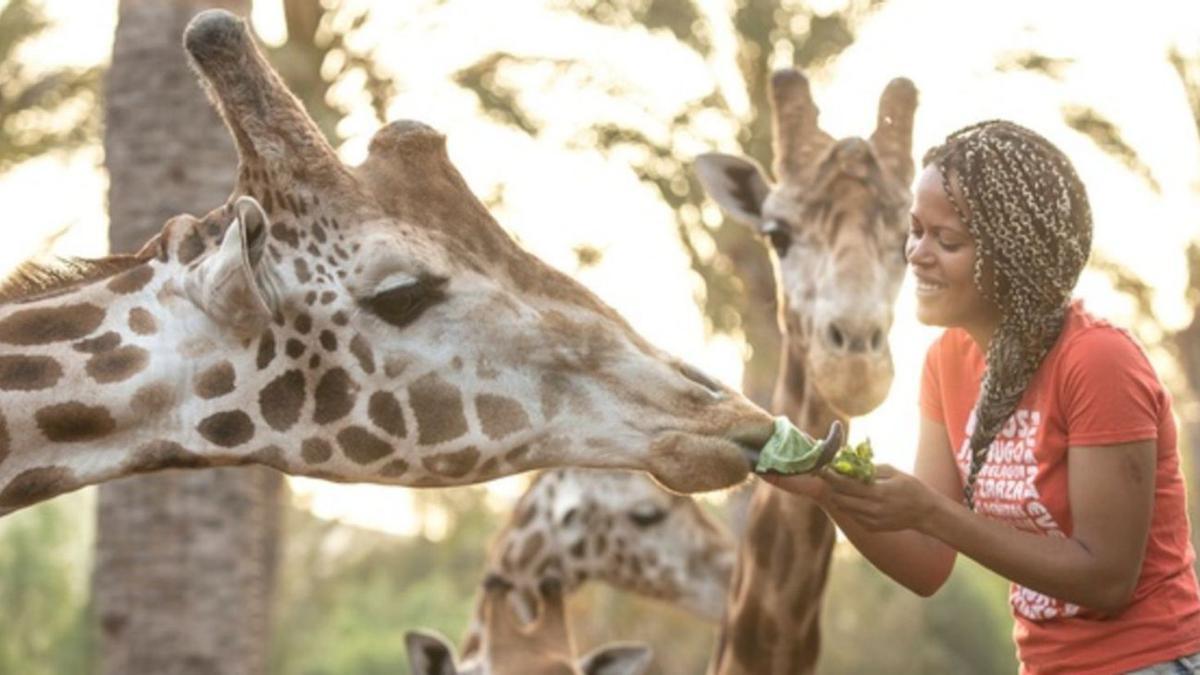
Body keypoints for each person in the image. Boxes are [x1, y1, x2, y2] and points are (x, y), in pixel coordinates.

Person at [762, 120, 1200, 675]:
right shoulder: (947, 363)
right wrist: (827, 488)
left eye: (947, 240)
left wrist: (933, 512)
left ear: (1013, 255)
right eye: (914, 231)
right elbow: (925, 563)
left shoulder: (1097, 362)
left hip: (1150, 662)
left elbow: (1107, 580)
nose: (917, 254)